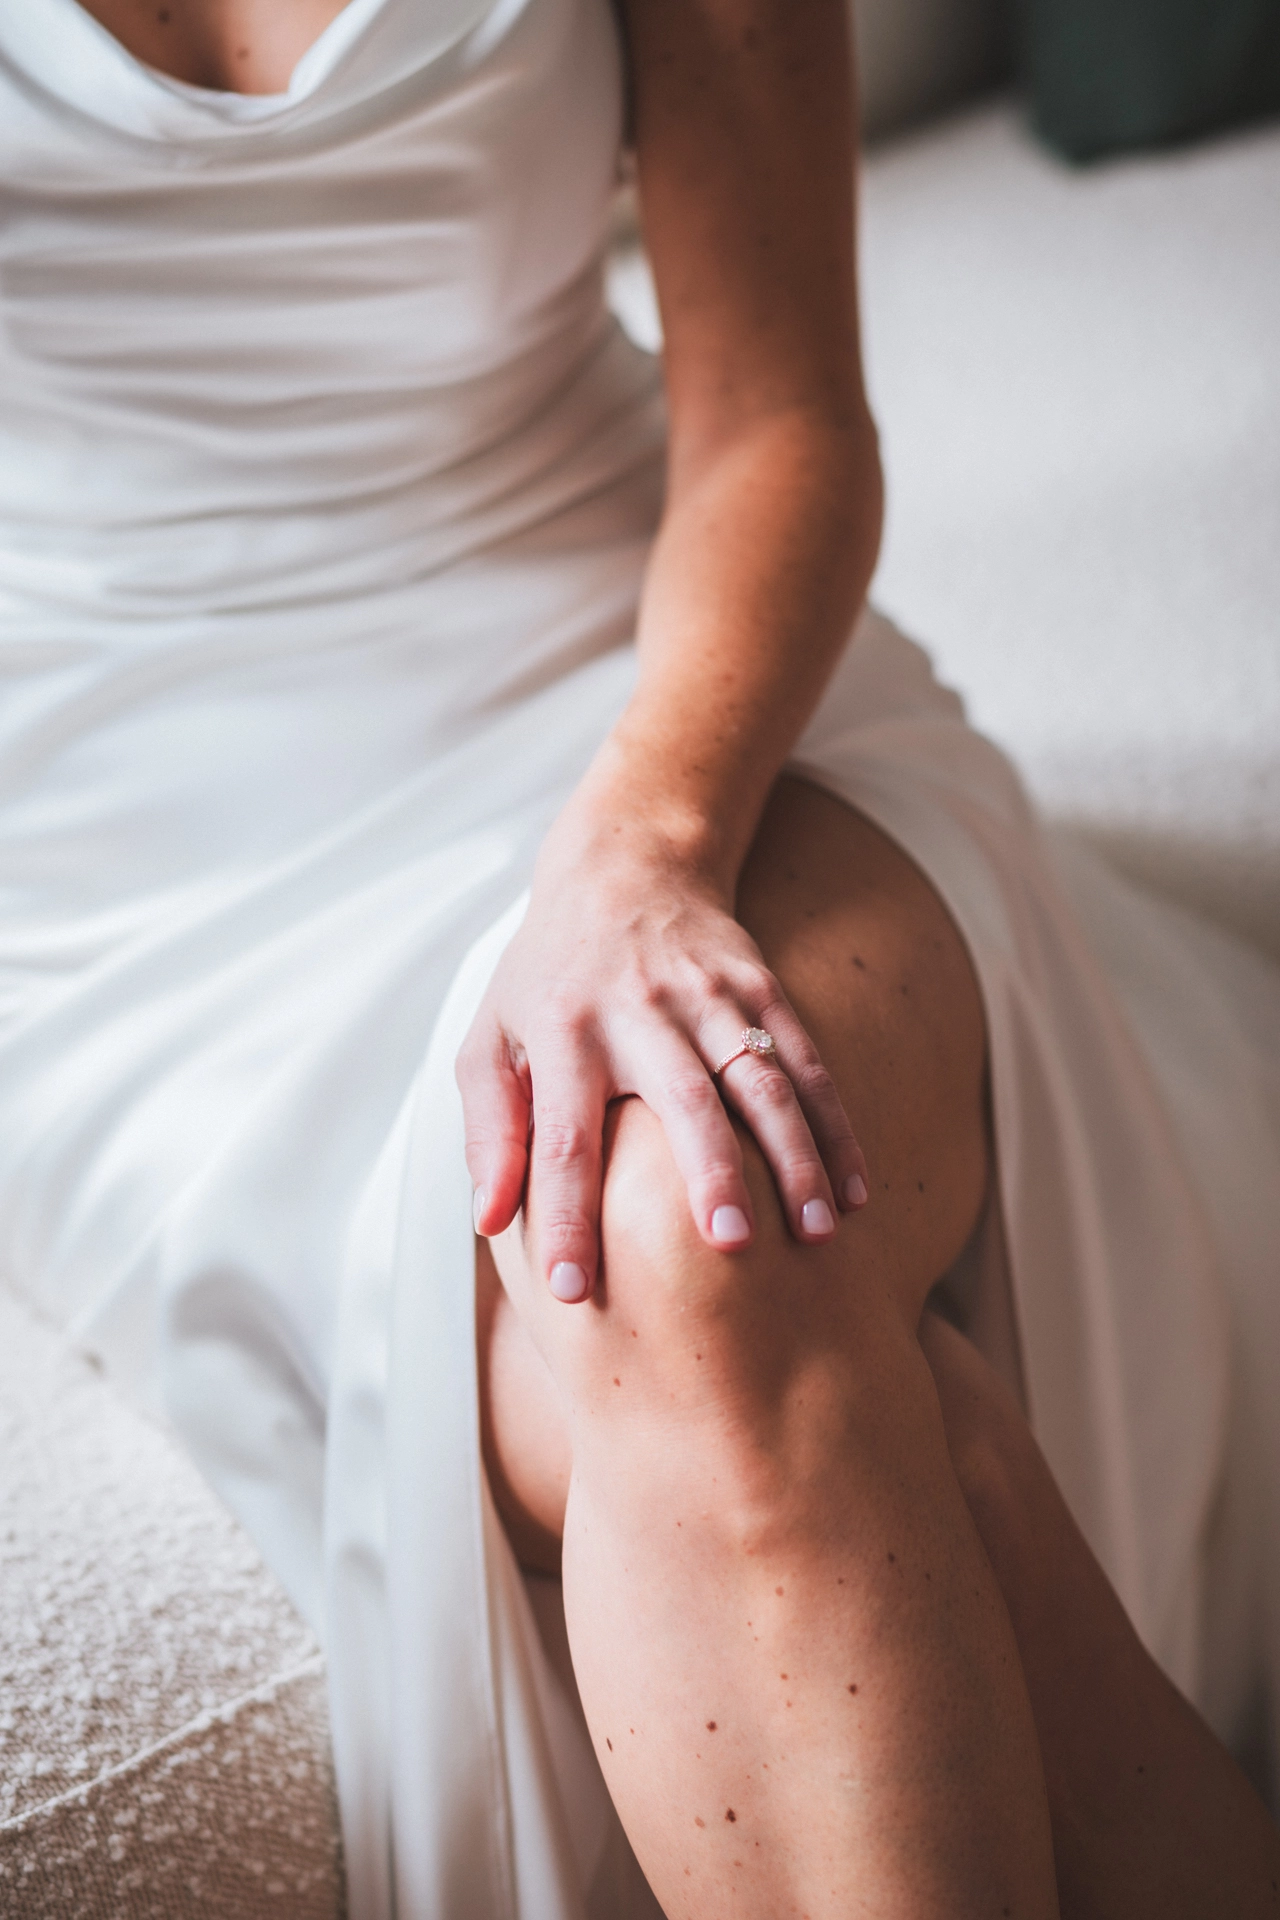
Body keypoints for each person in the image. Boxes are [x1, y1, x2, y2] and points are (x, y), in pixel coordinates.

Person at [1, 0, 1277, 1914]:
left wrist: (638, 846)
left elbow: (779, 412)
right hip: (139, 867)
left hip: (658, 693)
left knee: (711, 1222)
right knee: (826, 1405)